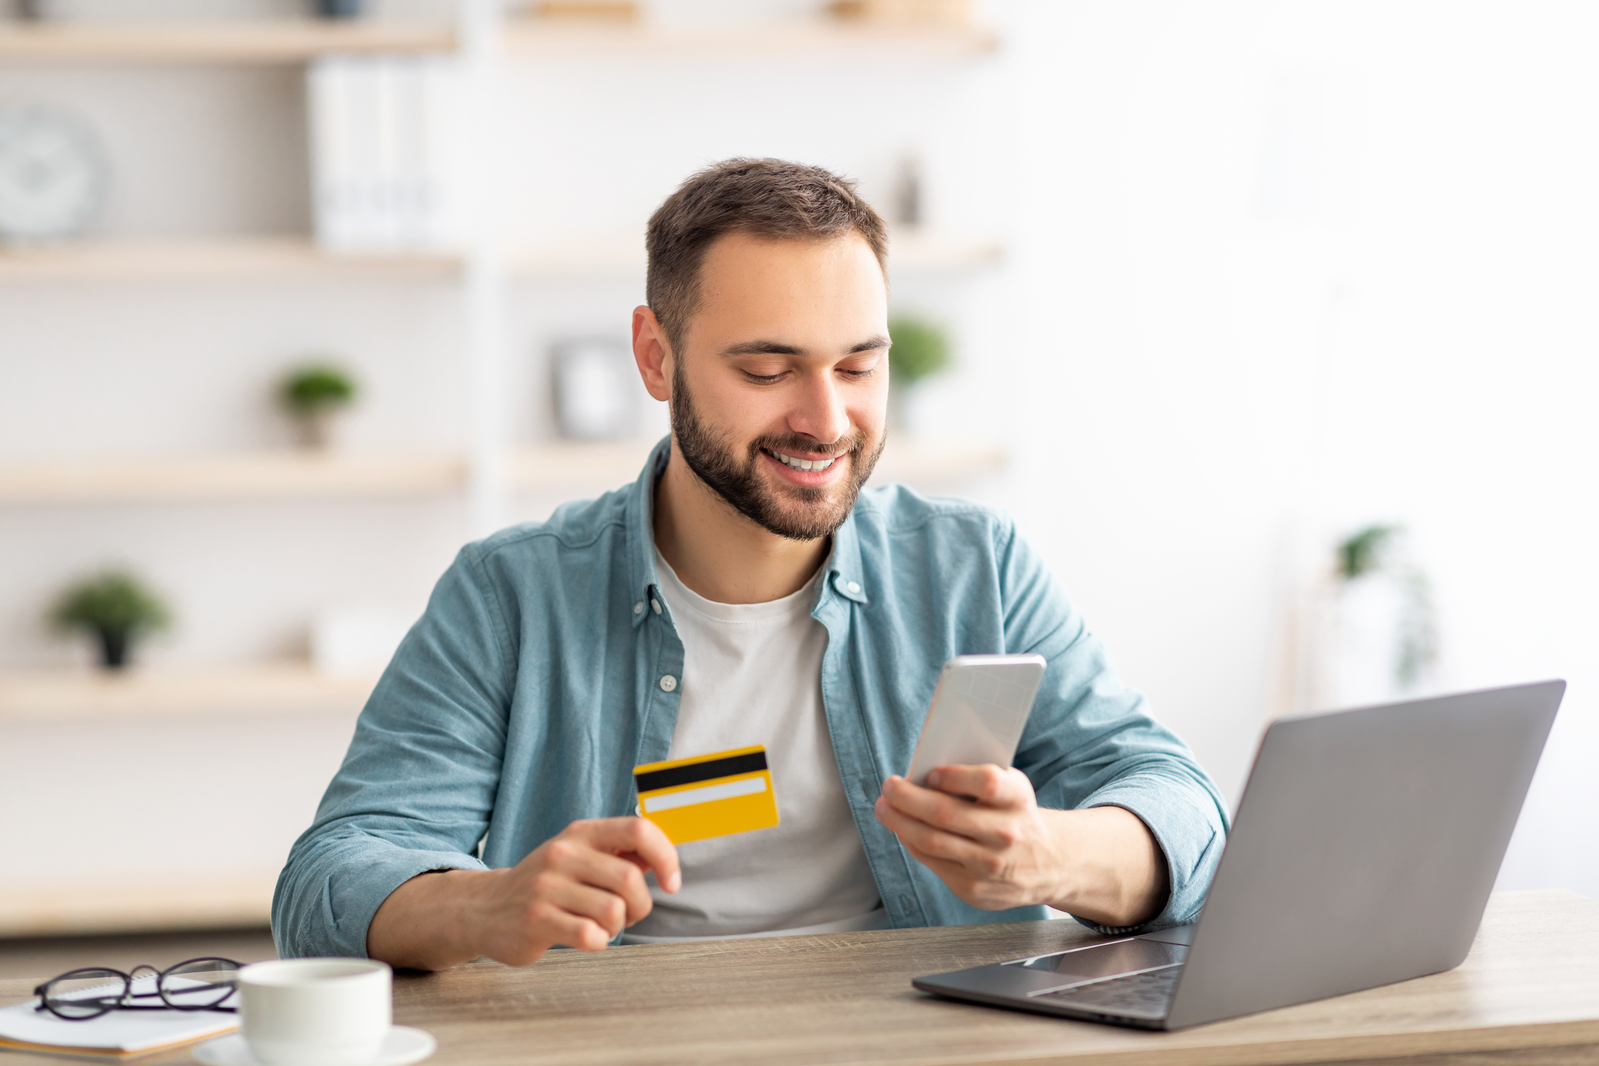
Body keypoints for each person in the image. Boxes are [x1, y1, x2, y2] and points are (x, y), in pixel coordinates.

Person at [273, 158, 1228, 969]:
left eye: (858, 366)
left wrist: (1050, 855)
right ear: (656, 357)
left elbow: (1182, 810)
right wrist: (482, 905)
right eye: (767, 371)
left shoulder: (973, 564)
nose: (824, 420)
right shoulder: (512, 596)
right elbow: (329, 875)